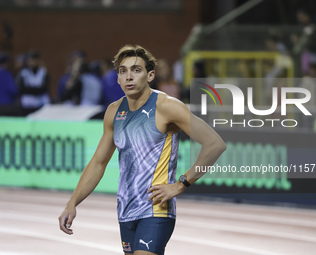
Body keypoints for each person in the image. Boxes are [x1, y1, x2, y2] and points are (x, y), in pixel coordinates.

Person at [58, 45, 226, 255]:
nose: (129, 76)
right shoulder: (113, 112)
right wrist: (72, 203)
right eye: (123, 71)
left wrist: (182, 184)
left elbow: (215, 143)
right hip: (125, 211)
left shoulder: (167, 106)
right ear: (117, 78)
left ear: (150, 75)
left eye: (136, 70)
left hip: (156, 210)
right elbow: (98, 163)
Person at [16, 50, 50, 115]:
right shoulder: (23, 73)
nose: (32, 63)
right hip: (27, 104)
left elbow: (44, 88)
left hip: (41, 103)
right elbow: (22, 89)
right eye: (30, 61)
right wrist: (36, 89)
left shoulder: (43, 72)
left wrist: (31, 89)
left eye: (34, 60)